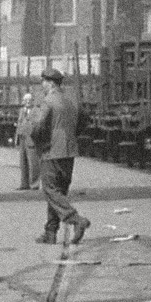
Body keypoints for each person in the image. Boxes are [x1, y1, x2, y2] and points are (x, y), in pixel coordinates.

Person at [28, 68, 89, 244]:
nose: (42, 85)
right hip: (69, 151)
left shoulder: (48, 101)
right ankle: (50, 232)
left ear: (50, 83)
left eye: (43, 82)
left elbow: (38, 126)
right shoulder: (71, 101)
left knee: (50, 190)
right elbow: (84, 120)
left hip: (51, 151)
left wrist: (40, 143)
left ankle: (76, 219)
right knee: (58, 191)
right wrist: (72, 136)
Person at [14, 92, 39, 191]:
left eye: (29, 100)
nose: (27, 102)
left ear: (33, 101)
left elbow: (37, 125)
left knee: (33, 163)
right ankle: (24, 184)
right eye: (25, 100)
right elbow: (19, 124)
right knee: (23, 162)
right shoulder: (22, 110)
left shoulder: (36, 111)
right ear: (23, 101)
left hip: (31, 139)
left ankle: (34, 184)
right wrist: (16, 139)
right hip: (22, 139)